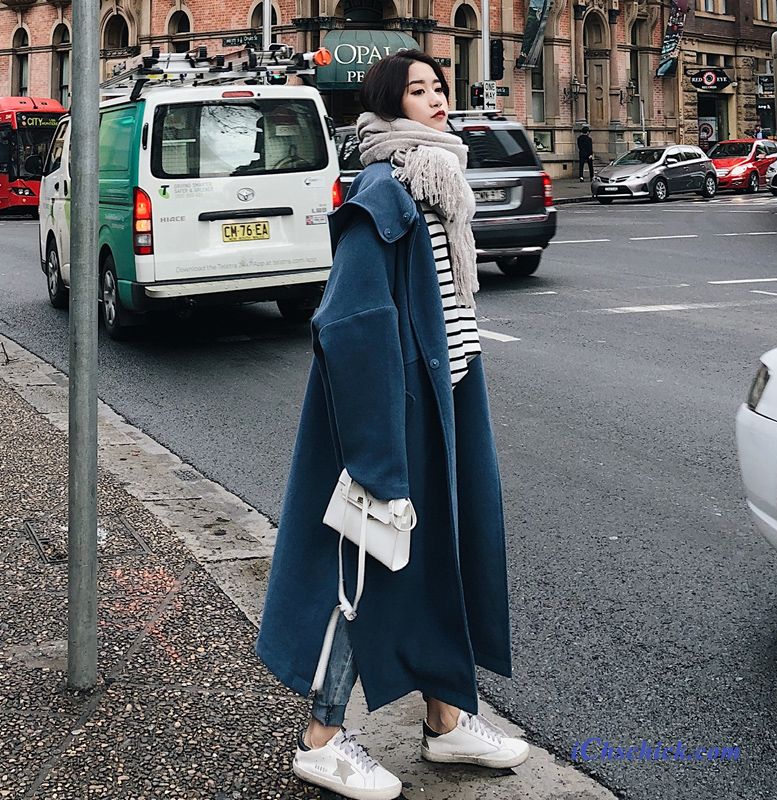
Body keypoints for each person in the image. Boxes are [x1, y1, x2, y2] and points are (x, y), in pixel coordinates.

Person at [255, 49, 529, 800]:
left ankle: (445, 720)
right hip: (398, 414)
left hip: (447, 400)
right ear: (387, 102)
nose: (437, 98)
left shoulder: (437, 180)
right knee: (367, 567)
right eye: (418, 90)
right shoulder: (388, 185)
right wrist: (377, 459)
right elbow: (350, 321)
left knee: (443, 553)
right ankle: (321, 737)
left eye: (440, 86)